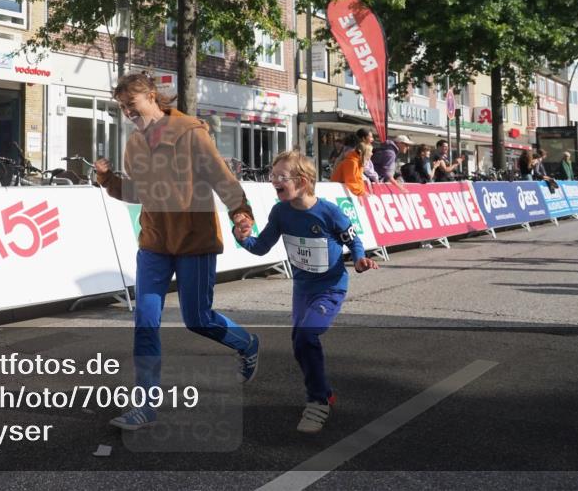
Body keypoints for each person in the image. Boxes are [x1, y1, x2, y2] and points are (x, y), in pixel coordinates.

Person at [93, 73, 259, 431]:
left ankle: (247, 344)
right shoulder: (134, 144)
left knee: (197, 318)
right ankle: (146, 405)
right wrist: (108, 180)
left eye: (130, 105)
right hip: (154, 242)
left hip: (193, 239)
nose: (126, 113)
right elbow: (136, 193)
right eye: (121, 107)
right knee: (145, 320)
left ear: (152, 96)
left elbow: (220, 177)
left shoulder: (189, 132)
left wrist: (241, 213)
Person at [234, 149, 378, 433]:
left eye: (280, 177)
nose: (273, 181)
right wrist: (242, 238)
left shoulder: (328, 212)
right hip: (302, 289)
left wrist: (360, 259)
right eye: (271, 176)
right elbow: (262, 247)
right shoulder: (280, 212)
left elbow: (353, 238)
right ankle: (324, 390)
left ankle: (317, 403)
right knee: (300, 345)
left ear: (302, 181)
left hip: (331, 287)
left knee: (306, 335)